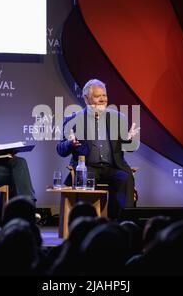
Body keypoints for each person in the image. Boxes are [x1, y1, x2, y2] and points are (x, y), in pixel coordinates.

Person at [56, 79, 140, 218]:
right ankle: (84, 223)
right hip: (87, 167)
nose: (103, 99)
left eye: (104, 95)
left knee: (125, 178)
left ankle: (122, 224)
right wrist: (70, 144)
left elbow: (130, 147)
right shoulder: (73, 120)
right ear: (86, 99)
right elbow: (60, 150)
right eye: (97, 96)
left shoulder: (118, 118)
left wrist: (129, 140)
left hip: (113, 167)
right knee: (84, 178)